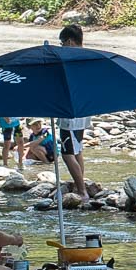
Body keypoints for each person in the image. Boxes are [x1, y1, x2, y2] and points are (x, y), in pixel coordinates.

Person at [56, 24, 90, 198]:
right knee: (77, 149)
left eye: (62, 43)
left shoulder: (68, 60)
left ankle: (82, 190)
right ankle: (80, 186)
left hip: (68, 110)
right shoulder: (88, 58)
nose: (62, 46)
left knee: (67, 152)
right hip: (83, 110)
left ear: (69, 41)